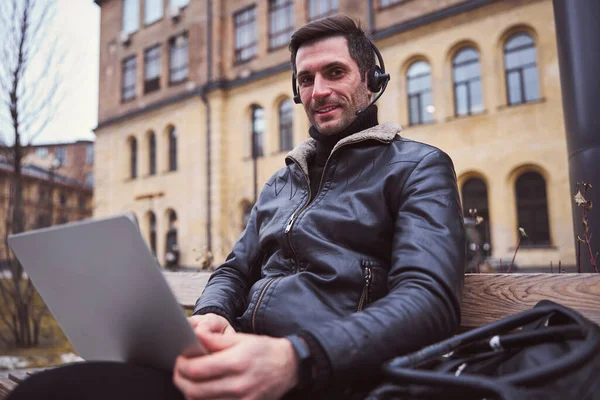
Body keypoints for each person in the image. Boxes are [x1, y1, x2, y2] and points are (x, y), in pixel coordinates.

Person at [7, 15, 464, 400]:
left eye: (334, 72)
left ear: (371, 80)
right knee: (47, 390)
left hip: (324, 377)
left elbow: (429, 301)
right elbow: (234, 270)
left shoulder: (417, 167)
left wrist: (297, 357)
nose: (318, 90)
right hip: (233, 366)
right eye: (305, 79)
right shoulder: (282, 183)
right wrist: (211, 315)